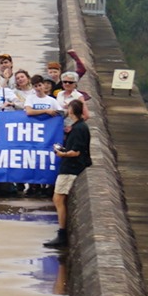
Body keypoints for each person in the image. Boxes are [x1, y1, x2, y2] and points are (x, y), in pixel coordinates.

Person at [48, 99, 92, 248]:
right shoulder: (77, 127)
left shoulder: (79, 128)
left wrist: (62, 154)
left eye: (68, 108)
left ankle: (62, 233)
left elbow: (76, 152)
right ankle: (62, 231)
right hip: (71, 166)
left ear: (72, 111)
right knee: (58, 199)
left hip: (71, 168)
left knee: (58, 199)